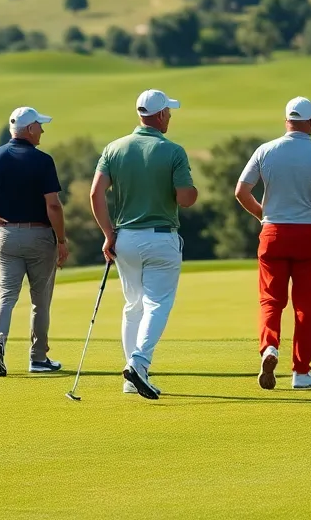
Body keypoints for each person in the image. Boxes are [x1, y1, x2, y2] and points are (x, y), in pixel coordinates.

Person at [235, 97, 311, 391]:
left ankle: (269, 347)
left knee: (270, 301)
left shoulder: (265, 151)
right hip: (310, 235)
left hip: (273, 233)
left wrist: (263, 216)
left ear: (286, 121)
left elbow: (241, 191)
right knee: (304, 307)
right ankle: (301, 373)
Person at [90, 89, 198, 400]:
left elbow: (96, 194)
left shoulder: (114, 148)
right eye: (169, 112)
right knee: (157, 304)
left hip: (125, 239)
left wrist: (108, 234)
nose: (170, 116)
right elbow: (185, 199)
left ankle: (131, 376)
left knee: (133, 306)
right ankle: (138, 363)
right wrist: (192, 191)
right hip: (161, 238)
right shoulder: (173, 151)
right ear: (161, 114)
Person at [0, 107, 68, 377]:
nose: (42, 130)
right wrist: (62, 240)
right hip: (39, 236)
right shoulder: (43, 160)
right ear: (30, 129)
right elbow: (53, 205)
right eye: (39, 126)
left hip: (6, 235)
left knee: (6, 295)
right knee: (40, 300)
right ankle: (38, 358)